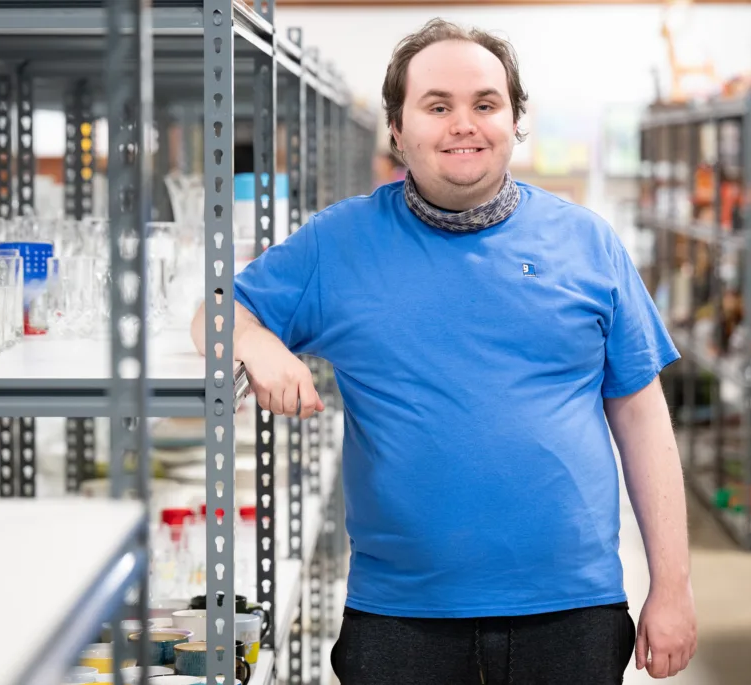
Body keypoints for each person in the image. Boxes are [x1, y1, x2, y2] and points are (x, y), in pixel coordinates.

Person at [191, 17, 696, 684]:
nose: (464, 124)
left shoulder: (587, 242)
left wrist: (672, 586)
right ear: (397, 129)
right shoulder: (338, 243)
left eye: (486, 104)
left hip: (572, 608)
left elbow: (643, 417)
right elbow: (213, 311)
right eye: (437, 106)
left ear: (515, 120)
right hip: (401, 618)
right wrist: (254, 340)